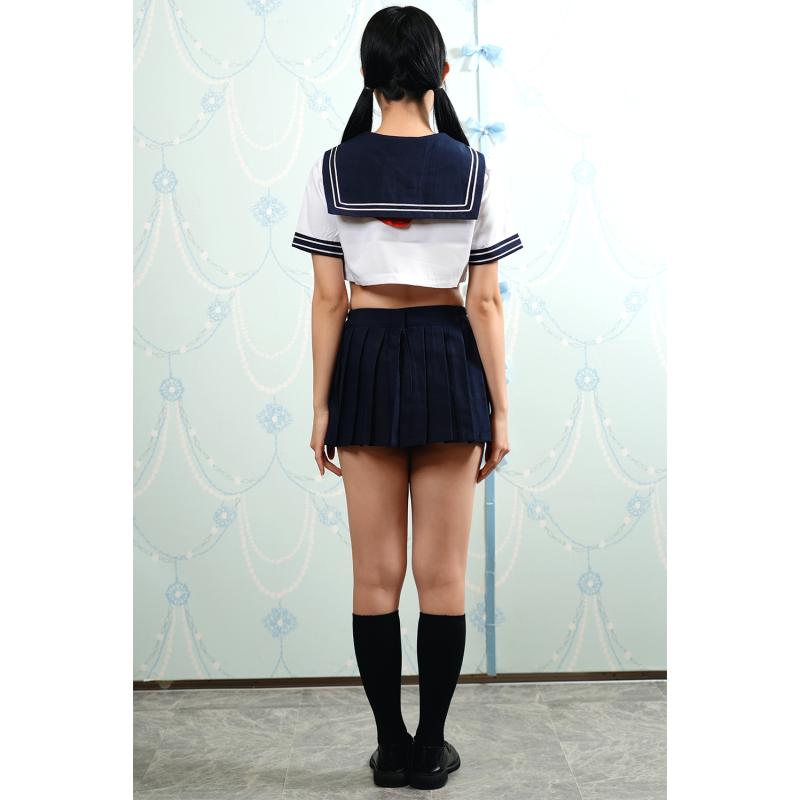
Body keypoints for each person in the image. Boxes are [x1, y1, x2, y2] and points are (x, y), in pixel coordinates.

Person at [291, 5, 522, 791]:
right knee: (443, 577)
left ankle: (390, 747)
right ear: (441, 74)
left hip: (364, 358)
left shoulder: (332, 169)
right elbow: (484, 303)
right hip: (449, 358)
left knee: (375, 576)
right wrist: (500, 409)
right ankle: (430, 750)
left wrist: (321, 407)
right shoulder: (474, 170)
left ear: (367, 76)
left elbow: (329, 299)